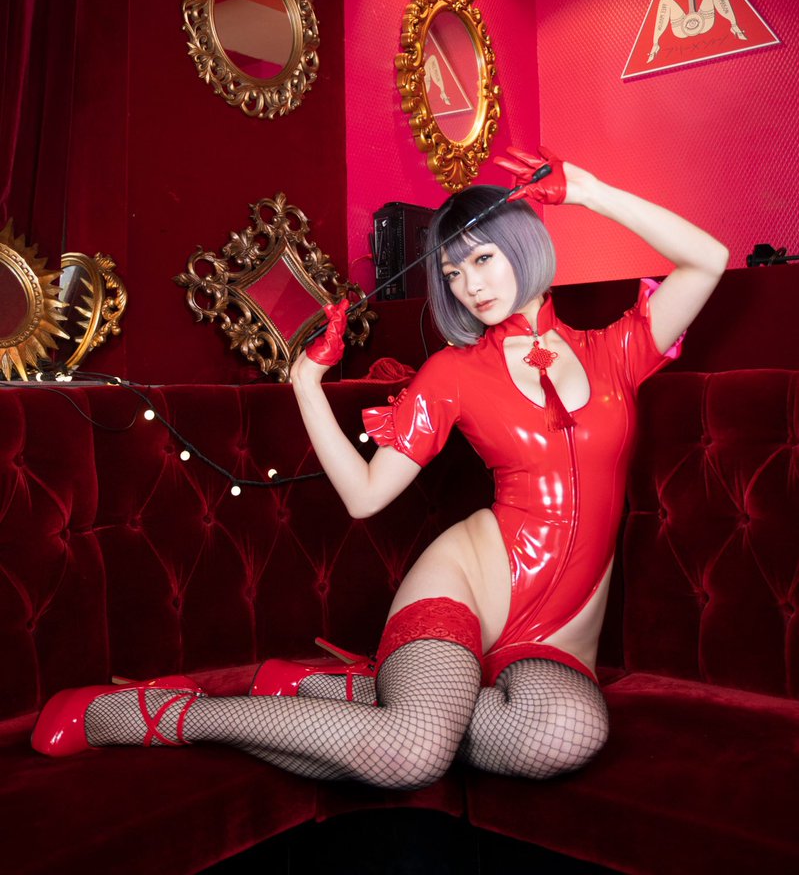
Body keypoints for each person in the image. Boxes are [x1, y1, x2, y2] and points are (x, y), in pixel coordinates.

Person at [31, 148, 728, 788]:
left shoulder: (615, 353)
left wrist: (589, 192)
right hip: (467, 587)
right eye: (452, 274)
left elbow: (708, 259)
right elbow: (366, 496)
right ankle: (149, 714)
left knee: (564, 734)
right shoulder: (454, 373)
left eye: (482, 259)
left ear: (522, 243)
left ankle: (343, 692)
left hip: (555, 635)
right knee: (410, 754)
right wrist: (306, 385)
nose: (469, 286)